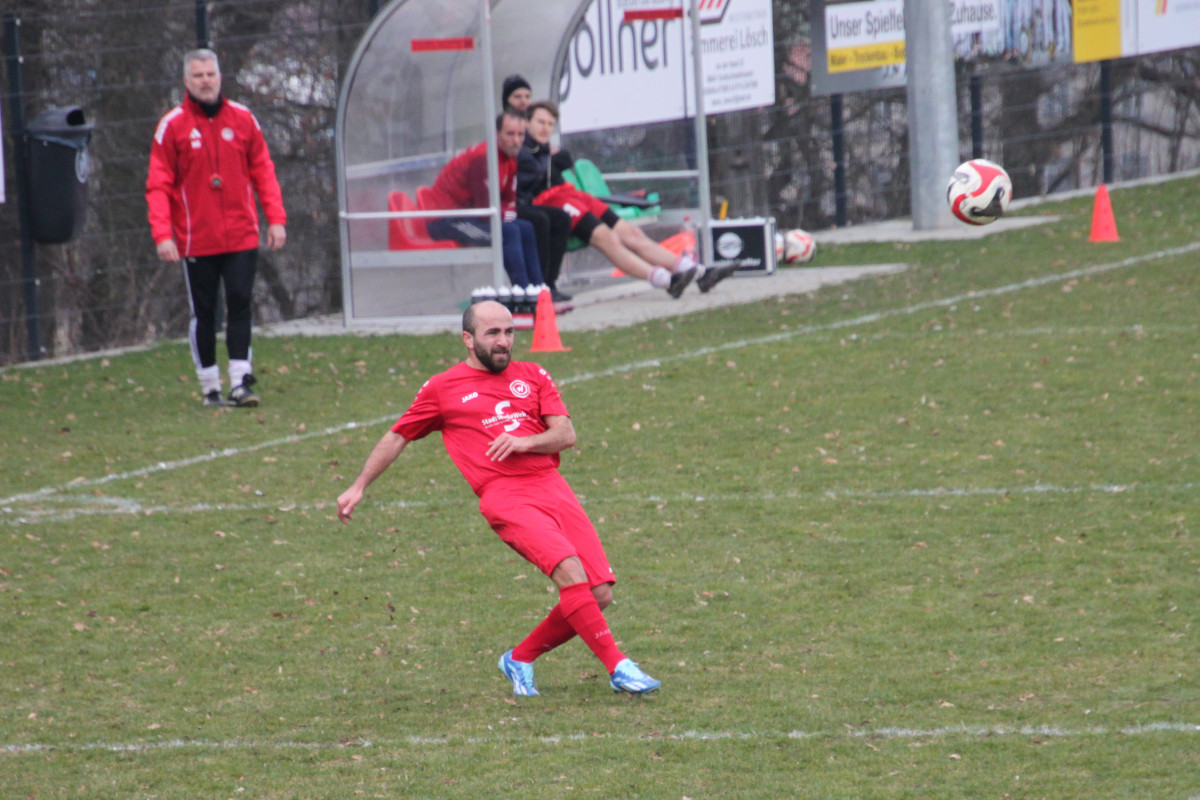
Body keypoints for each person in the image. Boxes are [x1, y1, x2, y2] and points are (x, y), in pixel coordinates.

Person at [336, 300, 661, 697]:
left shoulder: (533, 374)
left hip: (552, 486)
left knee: (599, 594)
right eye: (493, 333)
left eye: (509, 332)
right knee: (572, 576)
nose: (504, 341)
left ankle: (519, 658)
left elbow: (566, 434)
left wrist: (525, 442)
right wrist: (359, 485)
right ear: (468, 339)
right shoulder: (443, 388)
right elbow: (399, 434)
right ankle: (619, 667)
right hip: (505, 496)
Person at [146, 48, 286, 408]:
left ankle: (241, 381)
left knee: (241, 303)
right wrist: (163, 235)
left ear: (220, 76)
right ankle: (210, 385)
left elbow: (263, 171)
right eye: (198, 75)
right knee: (205, 312)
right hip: (196, 241)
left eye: (211, 74)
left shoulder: (242, 118)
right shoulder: (172, 125)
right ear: (186, 81)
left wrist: (277, 219)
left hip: (241, 234)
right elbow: (158, 185)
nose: (205, 81)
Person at [518, 99, 739, 299]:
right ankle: (665, 280)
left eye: (550, 124)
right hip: (552, 202)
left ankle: (699, 272)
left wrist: (555, 159)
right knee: (607, 238)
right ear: (527, 122)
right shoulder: (522, 148)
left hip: (573, 195)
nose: (545, 128)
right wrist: (552, 160)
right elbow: (537, 173)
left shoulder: (542, 148)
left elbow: (563, 160)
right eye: (540, 122)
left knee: (633, 233)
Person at [423, 109, 544, 290]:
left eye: (520, 134)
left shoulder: (510, 158)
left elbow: (509, 200)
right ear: (497, 134)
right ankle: (524, 295)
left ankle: (541, 292)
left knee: (526, 227)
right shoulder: (483, 159)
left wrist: (509, 213)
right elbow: (486, 211)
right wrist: (509, 213)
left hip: (471, 215)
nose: (517, 140)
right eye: (510, 134)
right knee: (508, 232)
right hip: (445, 219)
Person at [501, 75, 574, 304]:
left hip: (525, 200)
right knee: (539, 220)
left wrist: (550, 156)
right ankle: (537, 285)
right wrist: (545, 157)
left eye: (527, 97)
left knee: (560, 218)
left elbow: (549, 160)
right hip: (512, 203)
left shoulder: (535, 144)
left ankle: (548, 284)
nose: (522, 102)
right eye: (517, 97)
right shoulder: (508, 132)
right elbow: (527, 167)